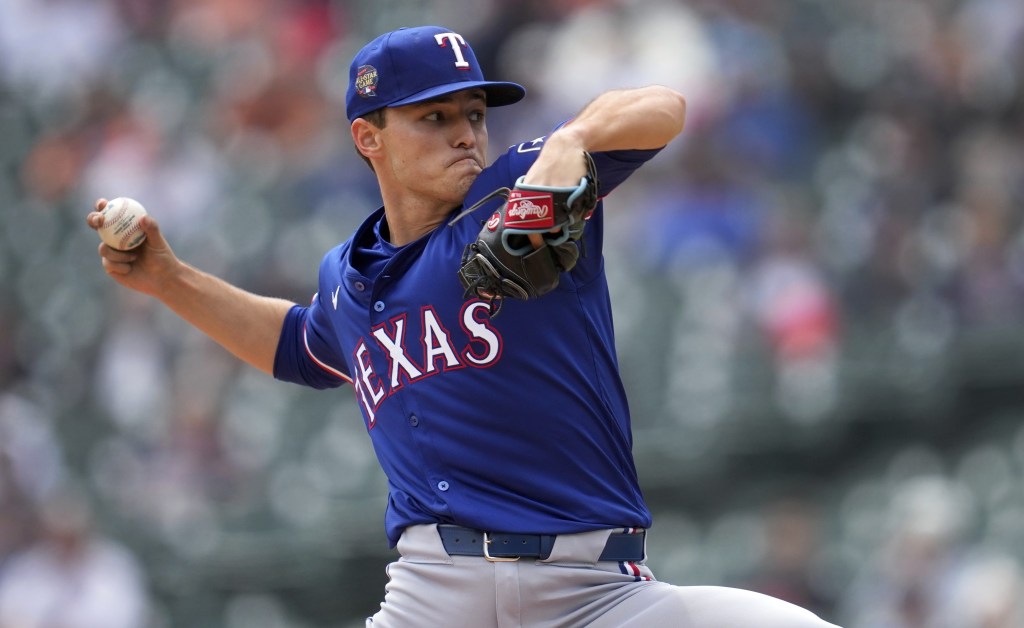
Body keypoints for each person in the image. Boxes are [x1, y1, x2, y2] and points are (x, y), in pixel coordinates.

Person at [88, 24, 839, 627]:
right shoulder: (346, 276)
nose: (465, 134)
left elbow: (665, 109)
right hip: (431, 598)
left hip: (596, 595)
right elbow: (297, 346)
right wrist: (168, 279)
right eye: (434, 116)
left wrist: (570, 141)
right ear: (368, 138)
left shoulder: (517, 191)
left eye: (474, 114)